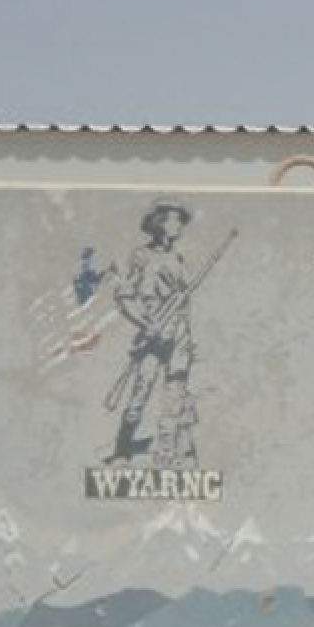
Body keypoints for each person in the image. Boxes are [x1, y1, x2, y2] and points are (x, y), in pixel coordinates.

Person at [103, 200, 199, 467]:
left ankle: (166, 453)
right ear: (158, 223)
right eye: (172, 219)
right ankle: (123, 448)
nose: (178, 225)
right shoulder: (141, 256)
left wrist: (184, 334)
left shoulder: (178, 259)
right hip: (153, 334)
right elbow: (125, 296)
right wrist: (145, 323)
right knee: (140, 391)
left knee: (174, 395)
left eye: (180, 220)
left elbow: (184, 300)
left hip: (178, 334)